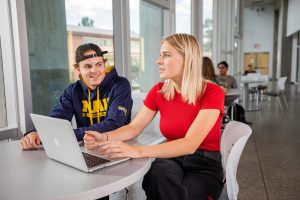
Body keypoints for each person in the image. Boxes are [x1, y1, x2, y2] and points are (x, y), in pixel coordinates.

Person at [84, 34, 224, 200]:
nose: (158, 61)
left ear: (187, 59)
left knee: (183, 194)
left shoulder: (212, 92)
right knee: (158, 175)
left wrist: (137, 151)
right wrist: (104, 137)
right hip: (171, 157)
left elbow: (189, 144)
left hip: (204, 164)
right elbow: (133, 127)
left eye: (166, 55)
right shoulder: (159, 91)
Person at [20, 43, 133, 150]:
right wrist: (37, 133)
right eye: (87, 66)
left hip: (119, 146)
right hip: (87, 148)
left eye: (99, 64)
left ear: (104, 65)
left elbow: (114, 124)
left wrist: (67, 135)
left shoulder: (120, 85)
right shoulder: (72, 90)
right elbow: (58, 118)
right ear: (78, 69)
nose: (94, 71)